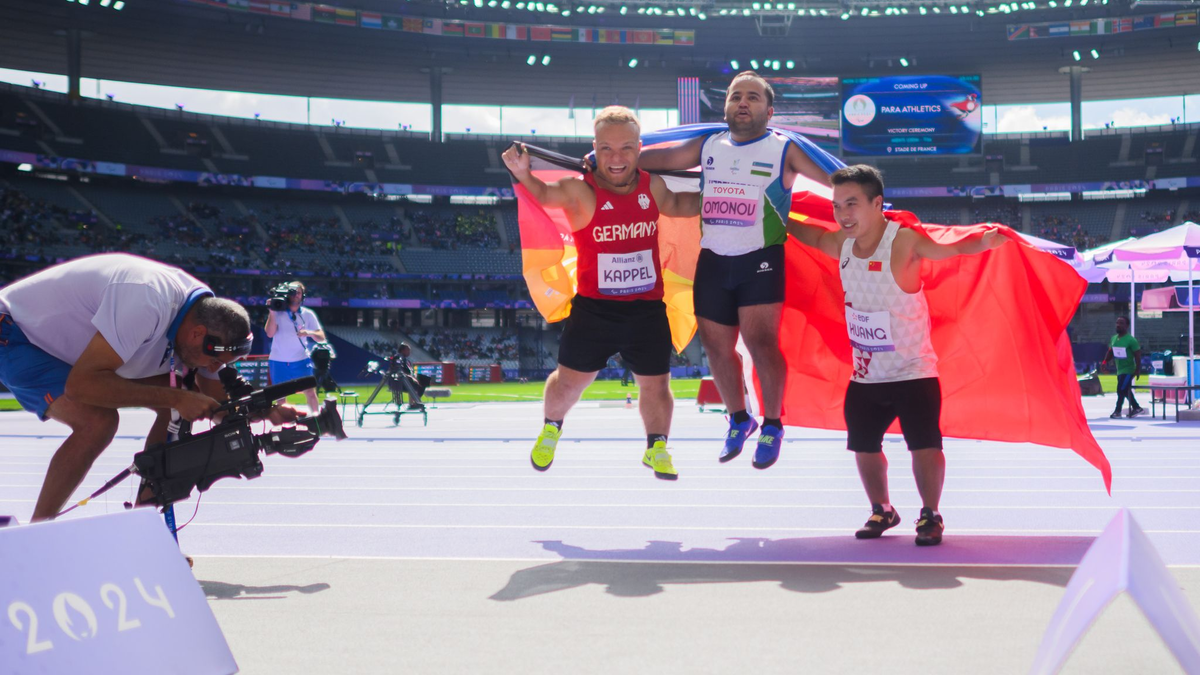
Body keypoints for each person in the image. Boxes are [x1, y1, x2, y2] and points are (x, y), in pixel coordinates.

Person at [788, 165, 1006, 546]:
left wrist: (986, 241)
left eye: (852, 204)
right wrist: (775, 216)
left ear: (877, 204)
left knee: (924, 444)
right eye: (837, 206)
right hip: (866, 375)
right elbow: (811, 235)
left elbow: (952, 247)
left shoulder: (903, 243)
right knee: (863, 445)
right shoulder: (842, 245)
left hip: (913, 371)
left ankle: (930, 514)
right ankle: (882, 509)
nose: (842, 214)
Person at [0, 253, 294, 522]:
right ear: (197, 334)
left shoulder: (204, 318)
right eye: (215, 360)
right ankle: (37, 533)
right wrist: (178, 398)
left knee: (180, 399)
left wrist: (266, 412)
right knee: (98, 422)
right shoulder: (146, 302)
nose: (213, 368)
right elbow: (82, 386)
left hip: (70, 352)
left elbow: (215, 404)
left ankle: (144, 522)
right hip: (16, 332)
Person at [638, 70, 832, 469]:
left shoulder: (785, 150)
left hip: (760, 259)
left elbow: (836, 179)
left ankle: (773, 424)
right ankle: (739, 419)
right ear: (725, 106)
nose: (743, 102)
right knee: (715, 348)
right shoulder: (709, 144)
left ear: (769, 111)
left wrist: (868, 195)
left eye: (753, 97)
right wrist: (611, 158)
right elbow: (654, 160)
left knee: (761, 343)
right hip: (713, 260)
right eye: (735, 96)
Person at [502, 105, 701, 480]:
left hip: (647, 309)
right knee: (568, 383)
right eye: (606, 148)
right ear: (595, 148)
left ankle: (657, 447)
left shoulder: (652, 186)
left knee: (656, 384)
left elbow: (680, 204)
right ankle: (551, 428)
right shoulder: (580, 191)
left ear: (639, 149)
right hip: (595, 312)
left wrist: (720, 197)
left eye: (625, 148)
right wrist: (522, 172)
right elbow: (543, 194)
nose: (616, 157)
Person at [265, 281, 325, 413]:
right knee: (280, 397)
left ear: (303, 295)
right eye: (293, 292)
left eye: (299, 292)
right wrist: (272, 312)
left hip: (301, 359)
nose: (296, 295)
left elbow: (321, 337)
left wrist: (309, 332)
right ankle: (286, 423)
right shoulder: (278, 312)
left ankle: (317, 419)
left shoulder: (308, 314)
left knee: (310, 392)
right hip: (278, 360)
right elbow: (269, 333)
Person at [1102, 316, 1145, 419]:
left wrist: (1137, 369)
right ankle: (1137, 408)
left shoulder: (1131, 340)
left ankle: (1117, 411)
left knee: (1121, 389)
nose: (1118, 325)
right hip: (1120, 370)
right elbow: (1110, 352)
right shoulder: (1114, 338)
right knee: (1125, 390)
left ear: (1127, 326)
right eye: (1117, 323)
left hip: (1129, 370)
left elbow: (1137, 355)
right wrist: (1104, 362)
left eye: (1121, 323)